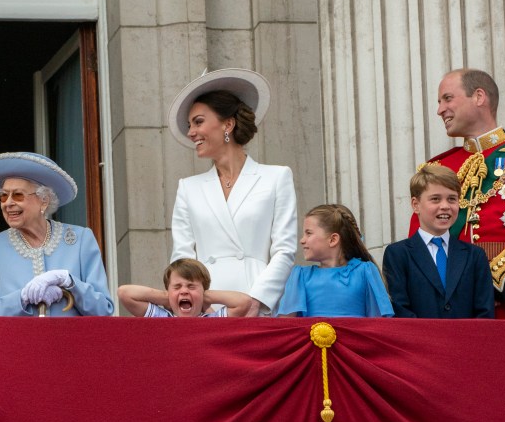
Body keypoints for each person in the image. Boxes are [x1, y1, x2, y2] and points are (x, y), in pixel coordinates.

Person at [413, 68, 505, 319]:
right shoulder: (437, 168)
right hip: (445, 304)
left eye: (447, 99)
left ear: (479, 97)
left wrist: (489, 285)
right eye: (439, 102)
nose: (440, 110)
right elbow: (419, 239)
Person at [168, 69, 297, 316]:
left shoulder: (276, 177)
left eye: (198, 122)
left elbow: (284, 250)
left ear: (228, 124)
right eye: (189, 125)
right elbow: (182, 259)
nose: (191, 132)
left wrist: (257, 300)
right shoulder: (188, 187)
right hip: (207, 306)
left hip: (257, 300)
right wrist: (198, 303)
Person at [0, 152, 114, 317]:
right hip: (17, 342)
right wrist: (22, 297)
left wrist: (69, 282)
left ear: (44, 200)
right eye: (3, 196)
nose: (8, 203)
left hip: (72, 341)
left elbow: (104, 310)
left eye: (17, 195)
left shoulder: (81, 240)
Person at [387, 165, 494, 318]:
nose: (445, 206)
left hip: (467, 340)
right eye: (435, 199)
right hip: (419, 340)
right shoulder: (398, 254)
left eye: (452, 199)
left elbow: (485, 311)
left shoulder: (474, 255)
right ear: (415, 205)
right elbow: (400, 309)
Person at [277, 205, 394, 318]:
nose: (302, 240)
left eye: (308, 233)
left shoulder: (365, 271)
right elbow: (285, 325)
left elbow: (378, 323)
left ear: (333, 240)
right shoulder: (300, 276)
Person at [117, 258, 251, 317]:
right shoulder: (162, 318)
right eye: (177, 287)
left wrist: (205, 297)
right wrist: (166, 298)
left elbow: (244, 302)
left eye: (191, 286)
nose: (184, 291)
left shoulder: (211, 321)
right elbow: (124, 293)